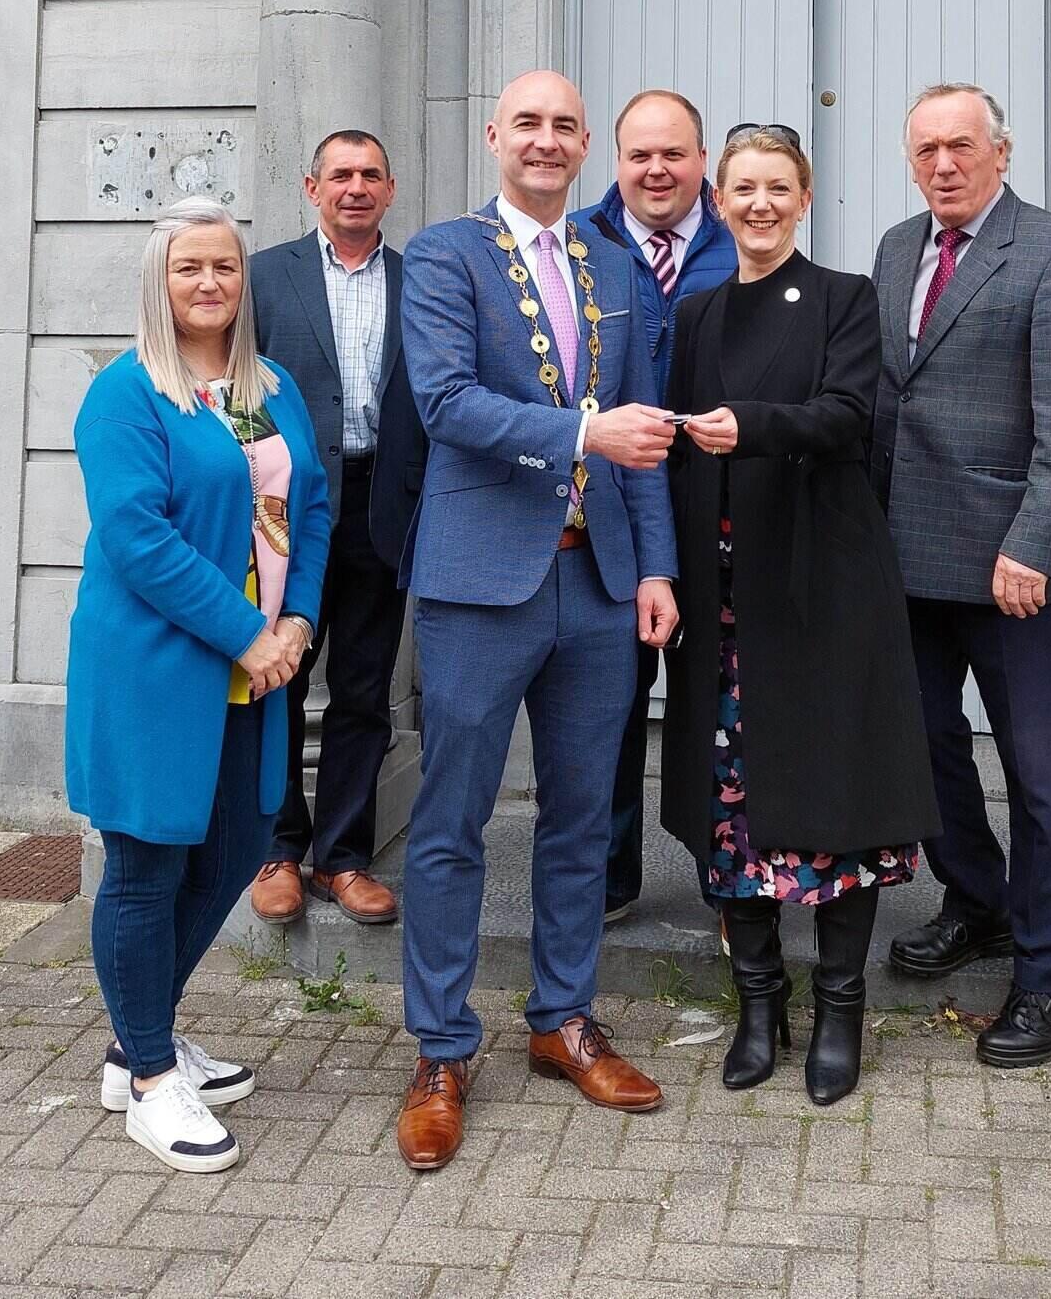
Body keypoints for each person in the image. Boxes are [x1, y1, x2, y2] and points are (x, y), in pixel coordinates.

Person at [393, 70, 679, 1171]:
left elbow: (644, 434)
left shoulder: (614, 264)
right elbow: (448, 403)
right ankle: (440, 1047)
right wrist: (579, 438)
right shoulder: (445, 258)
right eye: (530, 125)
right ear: (494, 138)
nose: (548, 142)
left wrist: (656, 569)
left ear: (584, 143)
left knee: (581, 821)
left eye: (567, 126)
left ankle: (563, 1020)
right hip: (479, 584)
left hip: (599, 586)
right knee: (452, 823)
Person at [661, 124, 939, 1107]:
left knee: (840, 807)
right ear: (719, 198)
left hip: (822, 597)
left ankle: (841, 1011)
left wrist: (757, 428)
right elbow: (672, 458)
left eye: (778, 186)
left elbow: (848, 414)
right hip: (725, 601)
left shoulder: (843, 299)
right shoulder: (693, 317)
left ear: (805, 196)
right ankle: (756, 1004)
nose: (760, 203)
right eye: (743, 187)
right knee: (728, 811)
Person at [66, 196, 332, 1171]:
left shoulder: (272, 387)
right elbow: (139, 539)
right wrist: (245, 635)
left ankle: (137, 1037)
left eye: (225, 266)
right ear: (159, 280)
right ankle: (145, 1078)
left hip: (259, 668)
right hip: (161, 667)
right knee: (145, 865)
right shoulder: (128, 394)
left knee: (233, 847)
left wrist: (297, 620)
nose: (211, 283)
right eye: (190, 268)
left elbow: (312, 504)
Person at [871, 84, 1051, 1069]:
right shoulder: (895, 251)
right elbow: (890, 405)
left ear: (1000, 152)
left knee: (1043, 779)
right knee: (929, 757)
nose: (943, 164)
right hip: (910, 563)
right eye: (926, 148)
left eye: (960, 146)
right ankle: (978, 904)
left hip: (1018, 572)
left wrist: (1034, 544)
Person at [243, 129, 425, 928]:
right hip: (285, 507)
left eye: (370, 176)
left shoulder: (421, 279)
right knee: (275, 678)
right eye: (340, 175)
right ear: (311, 187)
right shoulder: (263, 277)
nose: (355, 188)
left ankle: (341, 858)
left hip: (382, 502)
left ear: (390, 190)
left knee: (363, 685)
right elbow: (232, 383)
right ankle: (276, 848)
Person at [575, 90, 737, 924]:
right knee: (612, 701)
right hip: (610, 510)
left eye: (673, 153)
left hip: (716, 511)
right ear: (616, 160)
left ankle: (726, 870)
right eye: (640, 155)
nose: (657, 170)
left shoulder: (742, 241)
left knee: (715, 700)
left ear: (701, 160)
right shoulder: (577, 244)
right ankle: (607, 879)